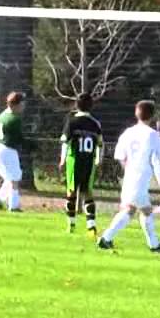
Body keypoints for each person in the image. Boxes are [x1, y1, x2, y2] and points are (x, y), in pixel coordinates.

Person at [97, 100, 160, 253]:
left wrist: (129, 169)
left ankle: (152, 244)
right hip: (141, 177)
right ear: (152, 116)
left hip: (129, 176)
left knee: (135, 210)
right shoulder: (153, 135)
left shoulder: (127, 133)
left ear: (136, 113)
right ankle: (106, 239)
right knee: (136, 210)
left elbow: (119, 156)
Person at [59, 93, 102, 237]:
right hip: (89, 162)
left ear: (76, 105)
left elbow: (65, 142)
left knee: (71, 191)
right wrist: (98, 160)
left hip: (74, 161)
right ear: (91, 106)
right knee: (87, 193)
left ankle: (71, 224)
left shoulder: (72, 122)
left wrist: (62, 159)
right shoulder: (95, 124)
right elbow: (100, 144)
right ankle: (91, 226)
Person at [0, 91, 26, 212]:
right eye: (22, 103)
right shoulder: (14, 119)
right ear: (16, 105)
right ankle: (14, 206)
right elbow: (19, 138)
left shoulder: (2, 115)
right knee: (14, 178)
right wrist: (31, 146)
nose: (23, 106)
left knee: (10, 177)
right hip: (7, 150)